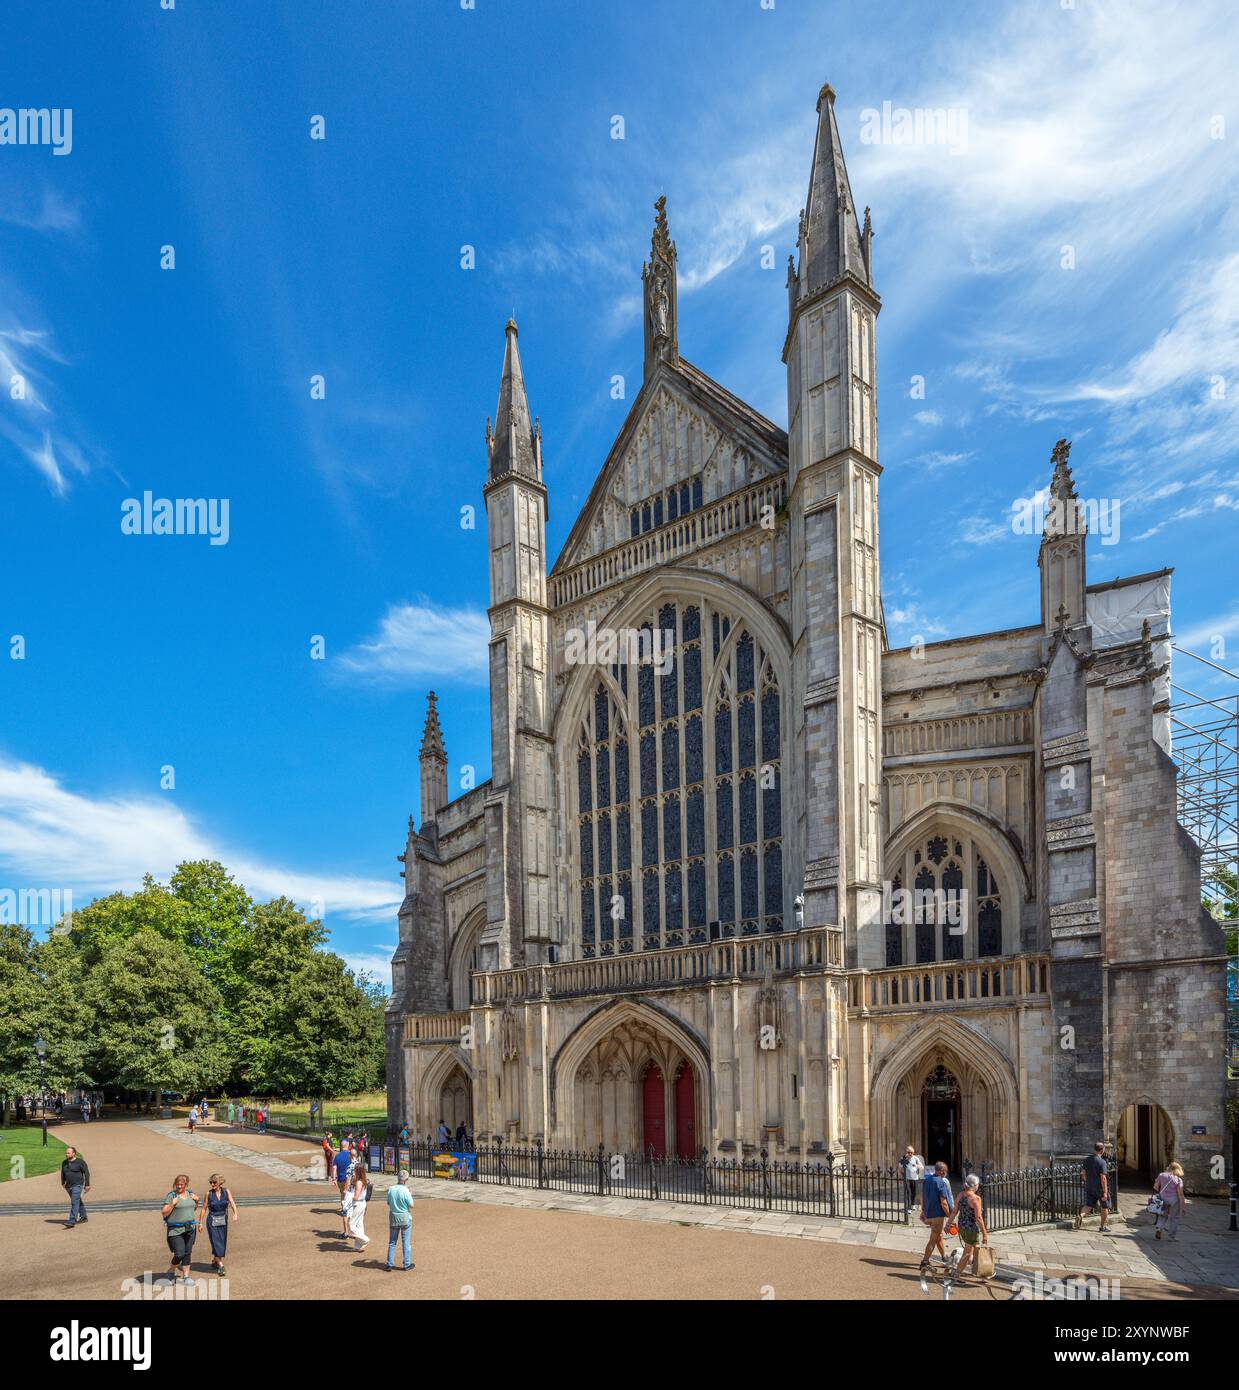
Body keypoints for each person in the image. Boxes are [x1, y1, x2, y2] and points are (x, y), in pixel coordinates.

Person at [161, 1174, 200, 1286]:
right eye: (177, 1184)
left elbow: (193, 1209)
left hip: (190, 1228)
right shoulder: (171, 1196)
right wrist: (172, 1204)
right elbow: (164, 1212)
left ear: (186, 1184)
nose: (179, 1186)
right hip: (176, 1230)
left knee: (187, 1253)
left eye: (181, 1184)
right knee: (179, 1254)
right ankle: (171, 1270)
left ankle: (186, 1276)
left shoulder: (190, 1194)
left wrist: (197, 1201)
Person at [950, 1174, 990, 1280]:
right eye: (978, 1185)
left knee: (975, 1250)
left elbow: (954, 1211)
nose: (978, 1187)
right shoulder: (975, 1198)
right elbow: (978, 1218)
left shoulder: (960, 1195)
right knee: (967, 1253)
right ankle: (956, 1274)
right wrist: (985, 1233)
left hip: (962, 1227)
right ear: (974, 1185)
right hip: (972, 1229)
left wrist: (948, 1223)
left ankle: (983, 1272)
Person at [197, 1173, 238, 1277]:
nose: (212, 1184)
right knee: (216, 1241)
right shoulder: (208, 1194)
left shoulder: (226, 1191)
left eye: (214, 1182)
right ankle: (221, 1265)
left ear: (220, 1182)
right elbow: (204, 1208)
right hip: (212, 1220)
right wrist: (200, 1222)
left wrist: (235, 1213)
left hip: (223, 1219)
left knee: (222, 1241)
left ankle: (215, 1260)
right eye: (210, 1182)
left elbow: (232, 1202)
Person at [918, 1160, 954, 1276]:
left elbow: (922, 1197)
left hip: (928, 1214)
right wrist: (950, 1216)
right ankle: (925, 1261)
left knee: (938, 1235)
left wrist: (923, 1211)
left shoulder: (927, 1180)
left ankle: (944, 1257)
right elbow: (943, 1202)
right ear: (942, 1171)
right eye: (945, 1171)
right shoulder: (940, 1182)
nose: (946, 1173)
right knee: (933, 1239)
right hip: (937, 1215)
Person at [1075, 1141, 1111, 1233]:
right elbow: (1103, 1178)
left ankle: (1081, 1216)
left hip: (1089, 1187)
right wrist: (1105, 1192)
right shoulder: (1102, 1162)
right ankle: (1102, 1227)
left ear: (1094, 1149)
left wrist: (1088, 1181)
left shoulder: (1087, 1159)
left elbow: (1083, 1173)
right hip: (1100, 1188)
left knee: (1088, 1205)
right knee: (1104, 1207)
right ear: (1102, 1150)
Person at [386, 1169, 414, 1271]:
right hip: (404, 1217)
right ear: (406, 1180)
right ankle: (406, 1264)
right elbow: (411, 1205)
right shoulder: (406, 1190)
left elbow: (388, 1203)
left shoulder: (391, 1189)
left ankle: (389, 1263)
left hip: (394, 1216)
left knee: (392, 1241)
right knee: (405, 1241)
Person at [1153, 1161, 1186, 1240]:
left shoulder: (1161, 1175)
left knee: (1163, 1214)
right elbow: (1180, 1194)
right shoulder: (1178, 1180)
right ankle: (1172, 1236)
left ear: (1169, 1167)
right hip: (1174, 1200)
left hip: (1163, 1198)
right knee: (1175, 1218)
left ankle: (1159, 1229)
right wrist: (1183, 1206)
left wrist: (1157, 1182)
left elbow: (1155, 1187)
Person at [61, 1146, 91, 1228]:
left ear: (74, 1153)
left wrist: (87, 1184)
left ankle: (72, 1221)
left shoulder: (80, 1162)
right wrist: (63, 1182)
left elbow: (87, 1173)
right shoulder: (64, 1162)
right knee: (77, 1201)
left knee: (74, 1202)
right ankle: (84, 1217)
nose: (66, 1154)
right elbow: (63, 1173)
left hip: (78, 1185)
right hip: (68, 1186)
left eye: (68, 1153)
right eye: (66, 1153)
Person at [348, 1162, 370, 1251]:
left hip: (358, 1204)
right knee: (359, 1225)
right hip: (362, 1203)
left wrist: (348, 1196)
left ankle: (364, 1239)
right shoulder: (363, 1180)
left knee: (351, 1225)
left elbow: (356, 1197)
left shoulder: (358, 1182)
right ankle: (358, 1246)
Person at [333, 1140, 354, 1228]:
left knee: (343, 1194)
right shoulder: (350, 1155)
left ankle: (344, 1209)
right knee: (350, 1194)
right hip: (349, 1179)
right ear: (348, 1145)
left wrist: (333, 1178)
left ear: (341, 1146)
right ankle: (349, 1210)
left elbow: (334, 1168)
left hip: (340, 1179)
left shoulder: (337, 1156)